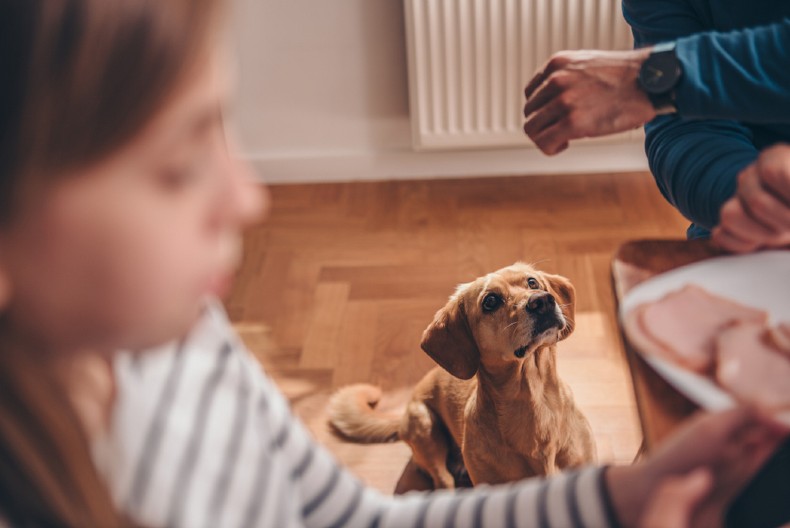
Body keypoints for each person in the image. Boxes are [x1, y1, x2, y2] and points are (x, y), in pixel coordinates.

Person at [0, 1, 786, 527]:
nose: (249, 197)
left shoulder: (187, 340)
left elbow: (340, 517)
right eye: (176, 164)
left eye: (225, 130)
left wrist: (616, 496)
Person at [521, 2, 790, 253]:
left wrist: (659, 76)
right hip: (751, 235)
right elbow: (681, 128)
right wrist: (748, 195)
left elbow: (660, 91)